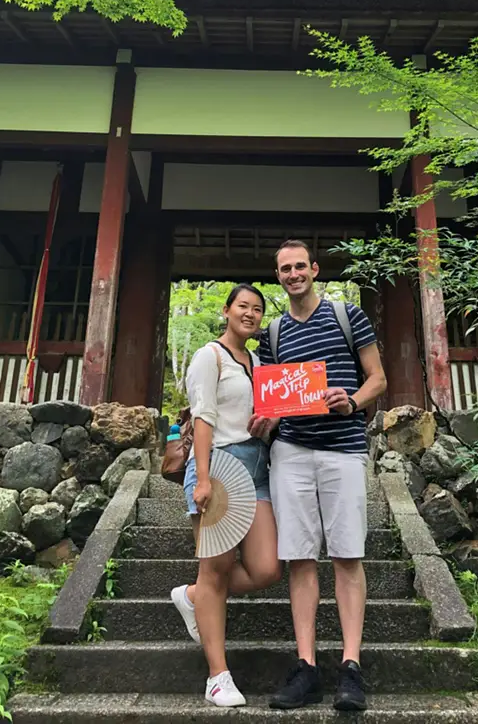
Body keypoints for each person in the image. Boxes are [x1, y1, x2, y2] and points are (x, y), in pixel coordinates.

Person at [258, 240, 387, 712]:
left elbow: (378, 378)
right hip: (291, 451)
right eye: (284, 268)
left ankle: (350, 666)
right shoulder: (272, 334)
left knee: (348, 555)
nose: (293, 274)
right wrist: (266, 421)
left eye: (299, 266)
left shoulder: (347, 315)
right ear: (278, 276)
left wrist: (352, 400)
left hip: (344, 449)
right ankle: (306, 666)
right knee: (299, 558)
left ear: (314, 269)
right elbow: (272, 401)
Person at [171, 283, 282, 708]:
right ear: (227, 310)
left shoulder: (258, 362)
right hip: (218, 464)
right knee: (215, 569)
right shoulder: (209, 356)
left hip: (257, 469)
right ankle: (217, 676)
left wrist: (267, 425)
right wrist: (201, 477)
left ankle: (194, 597)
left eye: (257, 309)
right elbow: (203, 417)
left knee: (267, 568)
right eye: (243, 306)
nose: (250, 314)